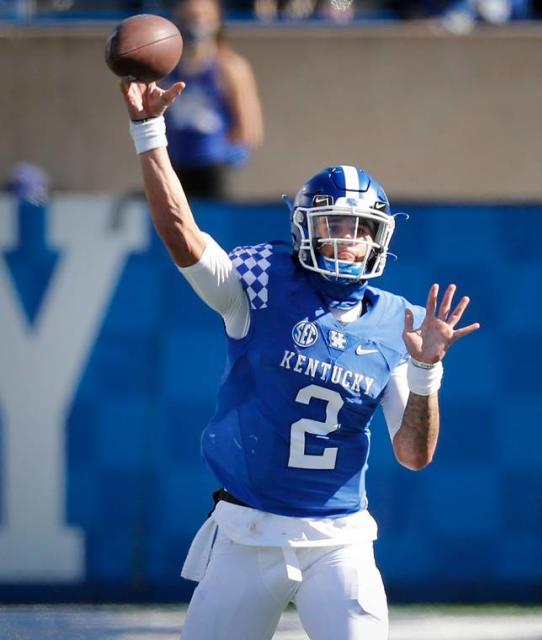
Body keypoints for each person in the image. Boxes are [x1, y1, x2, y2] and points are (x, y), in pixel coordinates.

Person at [118, 78, 479, 639]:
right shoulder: (262, 281)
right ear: (304, 227)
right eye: (333, 224)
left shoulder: (400, 322)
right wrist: (150, 132)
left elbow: (413, 455)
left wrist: (428, 373)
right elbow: (181, 234)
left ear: (378, 240)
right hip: (247, 528)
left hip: (340, 539)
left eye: (359, 229)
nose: (345, 241)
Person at [166, 0, 264, 199]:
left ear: (216, 21)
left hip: (214, 171)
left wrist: (225, 155)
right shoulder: (169, 68)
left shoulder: (229, 67)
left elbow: (249, 130)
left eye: (201, 17)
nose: (194, 24)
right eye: (188, 18)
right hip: (176, 168)